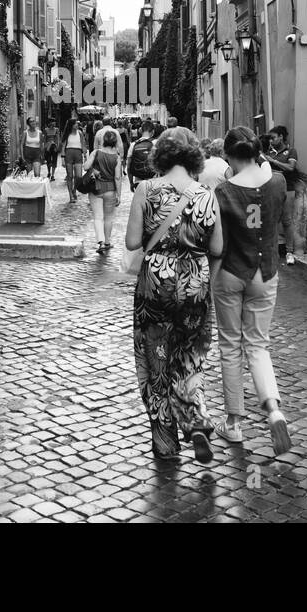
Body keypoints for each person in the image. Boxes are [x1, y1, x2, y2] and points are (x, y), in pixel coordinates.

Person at [125, 127, 223, 463]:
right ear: (194, 154)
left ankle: (165, 443)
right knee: (190, 354)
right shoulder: (206, 193)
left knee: (156, 362)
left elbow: (132, 242)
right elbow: (219, 247)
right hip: (195, 282)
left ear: (160, 155)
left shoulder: (145, 189)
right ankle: (196, 421)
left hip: (155, 283)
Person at [211, 126, 291, 455]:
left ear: (229, 156)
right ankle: (273, 409)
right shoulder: (278, 183)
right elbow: (279, 220)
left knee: (231, 346)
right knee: (258, 345)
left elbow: (217, 244)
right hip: (266, 271)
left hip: (230, 271)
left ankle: (233, 424)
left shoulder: (224, 192)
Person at [266, 125, 307, 265]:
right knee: (272, 220)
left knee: (287, 221)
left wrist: (273, 162)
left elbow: (291, 167)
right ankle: (273, 251)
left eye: (273, 138)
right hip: (271, 189)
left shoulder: (291, 151)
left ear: (281, 137)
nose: (271, 141)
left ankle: (289, 251)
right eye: (270, 139)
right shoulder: (269, 151)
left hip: (288, 189)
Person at [83, 129, 125, 252]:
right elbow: (118, 177)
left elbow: (85, 167)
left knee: (97, 217)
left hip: (96, 188)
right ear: (115, 142)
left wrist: (94, 170)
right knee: (108, 218)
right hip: (110, 189)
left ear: (103, 141)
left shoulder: (96, 153)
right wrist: (119, 194)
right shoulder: (117, 158)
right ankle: (107, 242)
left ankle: (100, 241)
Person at [126, 121, 157, 190]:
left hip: (138, 181)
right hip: (153, 181)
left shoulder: (133, 145)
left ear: (140, 130)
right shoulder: (156, 143)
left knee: (140, 200)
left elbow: (128, 167)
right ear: (153, 131)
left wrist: (131, 183)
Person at [62, 118, 86, 202]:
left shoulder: (80, 133)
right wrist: (62, 157)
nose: (77, 125)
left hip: (78, 153)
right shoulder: (67, 134)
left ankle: (74, 189)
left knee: (79, 176)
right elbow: (63, 145)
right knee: (70, 176)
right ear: (71, 125)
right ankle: (70, 196)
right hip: (68, 154)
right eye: (75, 124)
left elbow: (83, 144)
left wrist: (85, 155)